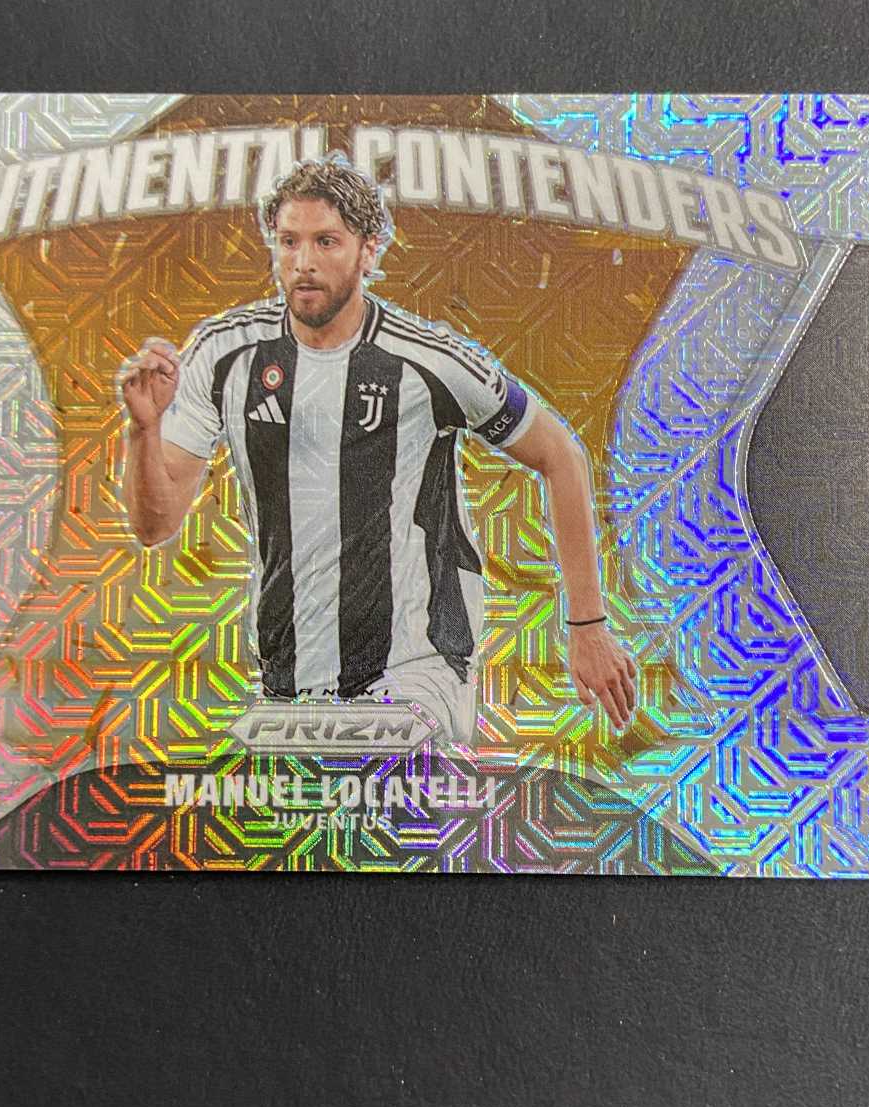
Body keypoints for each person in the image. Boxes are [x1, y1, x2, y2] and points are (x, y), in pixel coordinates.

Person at [117, 157, 636, 743]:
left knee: (391, 791)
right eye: (288, 241)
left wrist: (587, 626)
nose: (303, 262)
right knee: (241, 799)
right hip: (288, 684)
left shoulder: (429, 359)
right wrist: (144, 430)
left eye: (326, 241)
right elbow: (154, 524)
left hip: (417, 671)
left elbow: (560, 455)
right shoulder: (224, 353)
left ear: (368, 251)